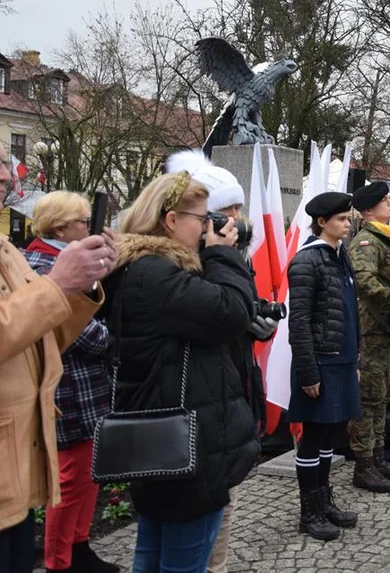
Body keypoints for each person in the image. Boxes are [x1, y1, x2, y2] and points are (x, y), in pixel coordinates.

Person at [107, 172, 261, 568]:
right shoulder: (156, 274)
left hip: (164, 437)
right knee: (182, 563)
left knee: (152, 556)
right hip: (187, 445)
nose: (207, 226)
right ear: (171, 220)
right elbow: (233, 312)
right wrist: (223, 254)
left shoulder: (142, 268)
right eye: (201, 216)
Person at [0, 145, 114, 573]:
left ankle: (73, 553)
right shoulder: (32, 255)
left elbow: (43, 337)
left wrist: (82, 286)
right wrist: (57, 284)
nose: (10, 178)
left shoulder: (5, 250)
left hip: (18, 453)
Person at [166, 150, 270, 573]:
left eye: (239, 209)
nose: (237, 220)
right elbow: (217, 315)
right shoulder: (188, 267)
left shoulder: (225, 258)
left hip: (228, 397)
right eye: (227, 211)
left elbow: (234, 313)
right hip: (199, 413)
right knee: (204, 524)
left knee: (222, 512)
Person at [287, 191, 361, 540]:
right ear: (321, 222)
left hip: (341, 361)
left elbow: (347, 313)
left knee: (331, 433)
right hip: (319, 363)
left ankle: (325, 501)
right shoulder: (307, 261)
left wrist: (354, 359)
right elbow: (298, 322)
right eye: (342, 219)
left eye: (349, 219)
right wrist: (308, 371)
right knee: (314, 437)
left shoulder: (338, 256)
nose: (348, 224)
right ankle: (310, 511)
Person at [348, 182, 390, 493]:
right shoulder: (366, 242)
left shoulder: (387, 238)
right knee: (368, 398)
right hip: (372, 327)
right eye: (384, 200)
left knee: (383, 396)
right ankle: (363, 464)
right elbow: (365, 283)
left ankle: (377, 456)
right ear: (369, 209)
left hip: (387, 328)